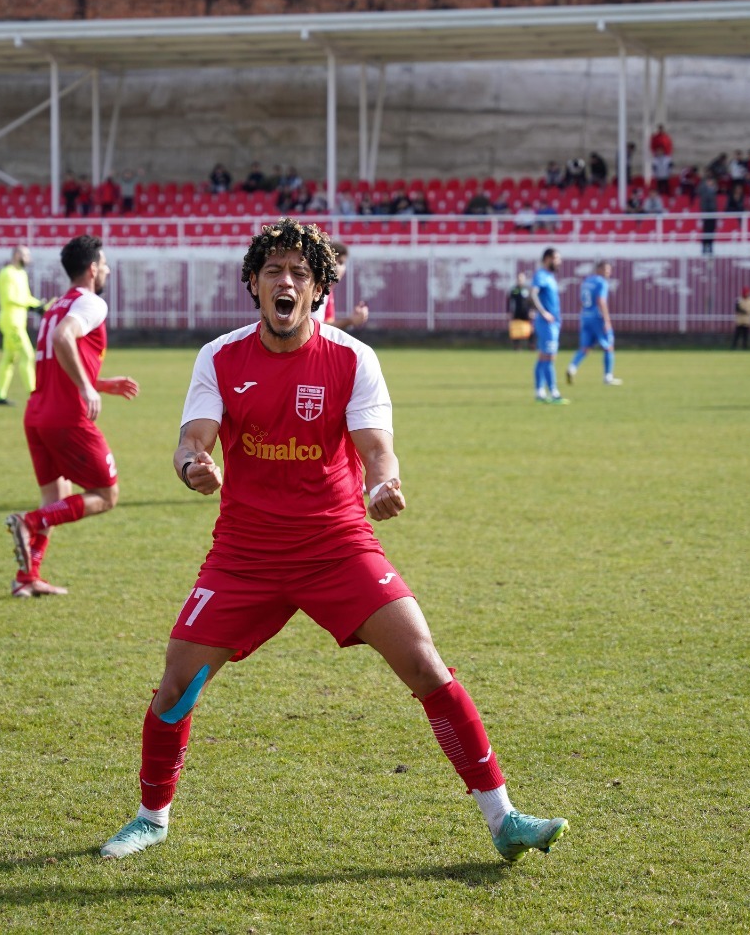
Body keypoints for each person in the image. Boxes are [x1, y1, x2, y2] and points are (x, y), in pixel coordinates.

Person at [97, 219, 567, 863]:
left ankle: (503, 816)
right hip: (246, 554)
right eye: (273, 272)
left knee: (426, 664)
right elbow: (193, 439)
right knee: (177, 683)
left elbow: (378, 451)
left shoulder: (352, 357)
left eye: (299, 273)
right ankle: (152, 816)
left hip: (338, 545)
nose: (285, 282)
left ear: (318, 289)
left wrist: (383, 487)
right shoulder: (220, 356)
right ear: (254, 286)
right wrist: (192, 466)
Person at [6, 235, 139, 598]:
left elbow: (57, 354)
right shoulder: (92, 303)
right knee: (107, 495)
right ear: (93, 269)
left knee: (56, 496)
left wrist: (98, 383)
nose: (108, 270)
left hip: (38, 413)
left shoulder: (54, 306)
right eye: (105, 264)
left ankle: (27, 577)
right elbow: (66, 340)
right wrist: (86, 388)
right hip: (68, 416)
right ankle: (27, 522)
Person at [0, 246, 47, 406]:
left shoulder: (21, 274)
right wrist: (32, 306)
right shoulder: (7, 273)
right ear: (17, 255)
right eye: (26, 255)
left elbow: (25, 297)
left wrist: (39, 305)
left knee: (9, 358)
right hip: (12, 322)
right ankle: (33, 393)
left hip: (17, 322)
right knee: (27, 355)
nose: (29, 258)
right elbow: (10, 298)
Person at [565, 260, 622, 386]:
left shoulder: (587, 281)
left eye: (609, 270)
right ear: (599, 269)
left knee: (585, 348)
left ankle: (572, 368)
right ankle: (608, 377)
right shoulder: (601, 282)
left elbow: (581, 300)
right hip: (597, 317)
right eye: (606, 269)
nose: (609, 272)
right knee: (608, 346)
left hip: (585, 316)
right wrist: (607, 320)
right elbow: (601, 300)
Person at [530, 248, 566, 404]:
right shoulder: (541, 276)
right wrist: (543, 312)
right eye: (556, 258)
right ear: (547, 259)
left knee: (543, 356)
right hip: (547, 323)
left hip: (553, 323)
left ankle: (539, 391)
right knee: (549, 357)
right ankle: (554, 392)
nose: (559, 261)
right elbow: (533, 293)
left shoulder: (550, 277)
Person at [324, 241, 370, 332]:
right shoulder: (319, 291)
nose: (336, 266)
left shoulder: (328, 292)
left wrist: (351, 319)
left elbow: (325, 326)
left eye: (341, 262)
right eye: (333, 261)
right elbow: (316, 328)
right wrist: (350, 321)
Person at [507, 271, 534, 349]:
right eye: (518, 278)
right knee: (516, 329)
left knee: (530, 329)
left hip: (526, 312)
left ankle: (531, 345)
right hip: (517, 312)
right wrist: (509, 312)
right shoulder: (514, 290)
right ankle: (517, 346)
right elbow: (509, 301)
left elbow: (532, 301)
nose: (520, 280)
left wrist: (532, 310)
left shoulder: (527, 289)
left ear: (524, 279)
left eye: (521, 278)